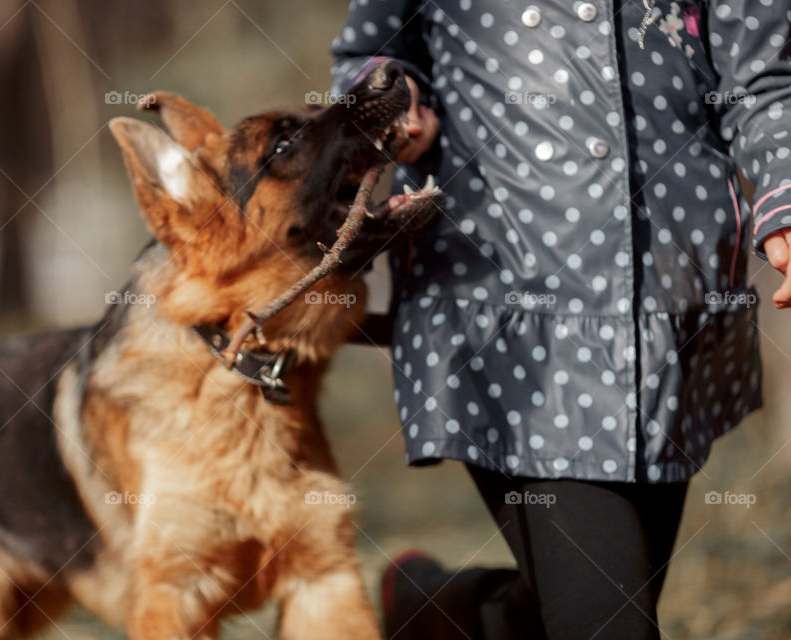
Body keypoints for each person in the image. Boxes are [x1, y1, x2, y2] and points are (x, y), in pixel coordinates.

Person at [330, 1, 791, 638]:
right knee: (609, 622)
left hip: (671, 304)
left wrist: (783, 196)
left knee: (586, 602)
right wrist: (392, 100)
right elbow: (370, 54)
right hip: (504, 302)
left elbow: (765, 79)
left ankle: (435, 612)